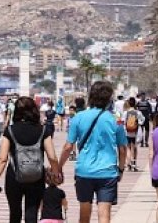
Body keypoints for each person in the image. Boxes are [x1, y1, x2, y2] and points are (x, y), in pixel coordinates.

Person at [57, 81, 128, 223]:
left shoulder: (78, 117)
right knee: (104, 214)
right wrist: (120, 169)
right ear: (109, 98)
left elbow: (68, 147)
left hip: (84, 171)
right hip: (107, 172)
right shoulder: (117, 120)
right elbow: (123, 148)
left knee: (84, 212)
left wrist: (58, 167)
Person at [0, 96, 60, 223]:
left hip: (14, 177)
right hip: (36, 176)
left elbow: (2, 158)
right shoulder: (43, 130)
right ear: (34, 110)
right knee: (31, 212)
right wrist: (56, 173)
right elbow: (52, 156)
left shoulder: (10, 130)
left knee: (15, 212)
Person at [121, 98, 142, 171]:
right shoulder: (138, 112)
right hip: (135, 132)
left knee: (128, 148)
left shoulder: (125, 113)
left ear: (129, 104)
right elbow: (142, 121)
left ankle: (128, 164)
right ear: (135, 104)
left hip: (127, 132)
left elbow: (122, 122)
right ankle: (134, 164)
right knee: (134, 147)